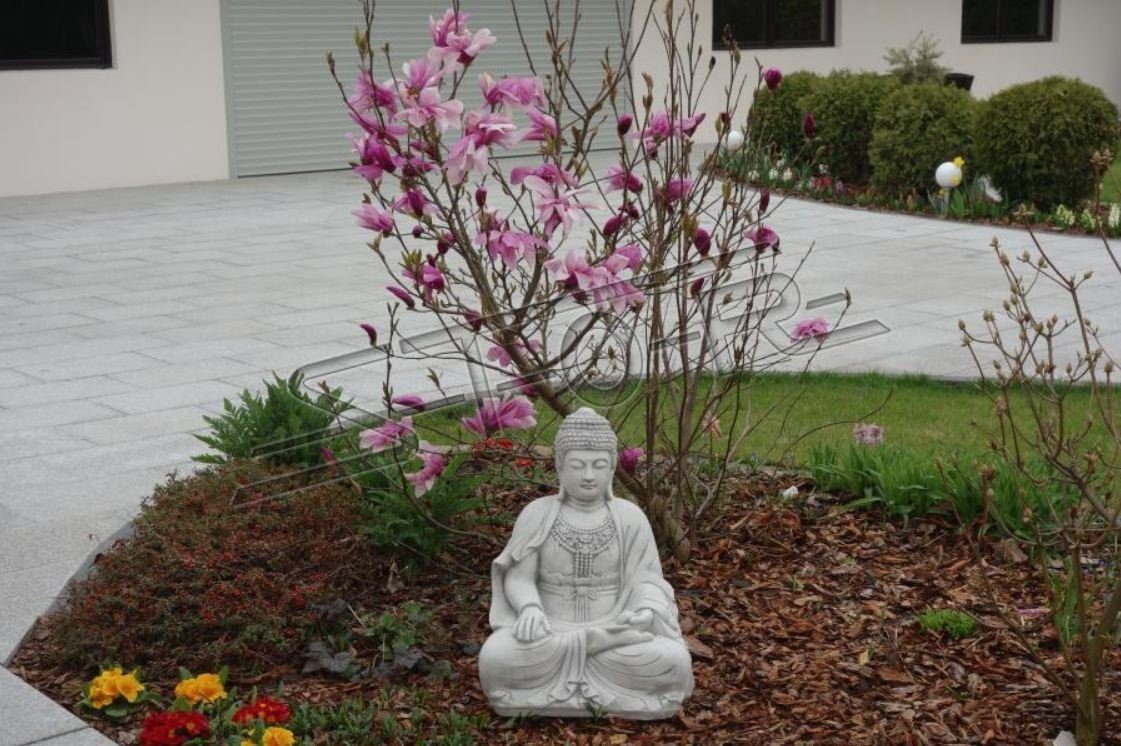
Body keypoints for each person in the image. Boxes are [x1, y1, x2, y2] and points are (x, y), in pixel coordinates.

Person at [478, 408, 694, 719]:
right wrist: (530, 608)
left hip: (615, 625)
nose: (589, 475)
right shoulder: (537, 514)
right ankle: (596, 648)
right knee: (495, 658)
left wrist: (645, 611)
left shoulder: (629, 517)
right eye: (578, 465)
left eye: (599, 465)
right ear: (560, 467)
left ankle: (600, 644)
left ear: (612, 470)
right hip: (549, 632)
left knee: (673, 661)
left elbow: (646, 581)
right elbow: (519, 577)